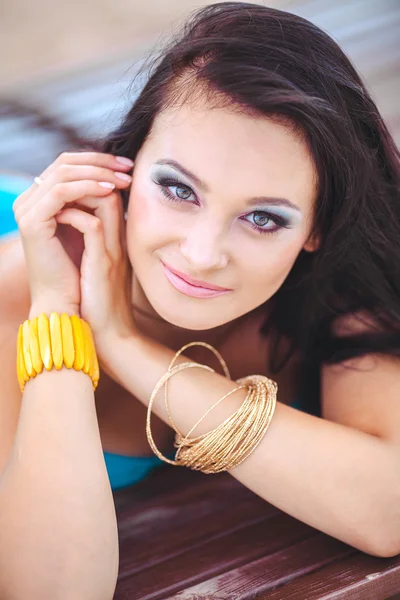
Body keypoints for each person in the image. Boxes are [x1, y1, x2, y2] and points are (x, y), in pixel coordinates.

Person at [0, 2, 399, 598]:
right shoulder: (19, 297)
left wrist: (123, 344)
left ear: (317, 228)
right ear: (127, 169)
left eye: (263, 218)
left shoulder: (338, 285)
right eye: (178, 188)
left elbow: (385, 511)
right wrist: (60, 313)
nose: (203, 252)